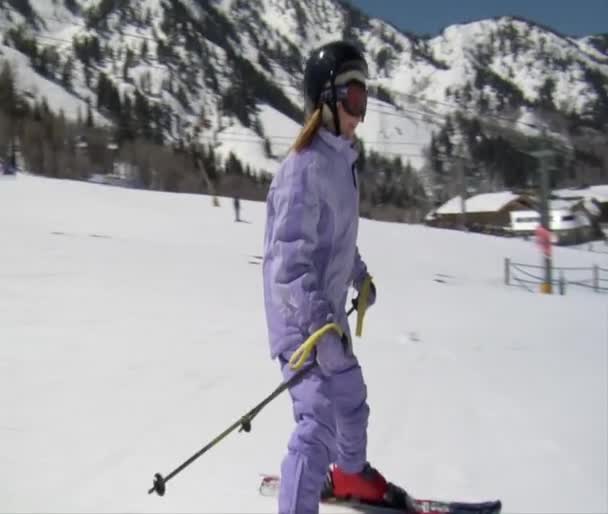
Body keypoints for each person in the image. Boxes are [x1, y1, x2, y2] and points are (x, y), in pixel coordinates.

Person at [262, 40, 387, 514]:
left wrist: (359, 276)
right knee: (317, 423)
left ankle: (350, 475)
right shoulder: (302, 170)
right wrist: (318, 327)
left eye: (364, 99)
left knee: (352, 402)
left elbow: (335, 239)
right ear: (329, 99)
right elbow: (289, 266)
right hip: (301, 323)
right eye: (354, 98)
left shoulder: (340, 163)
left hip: (327, 316)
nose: (361, 111)